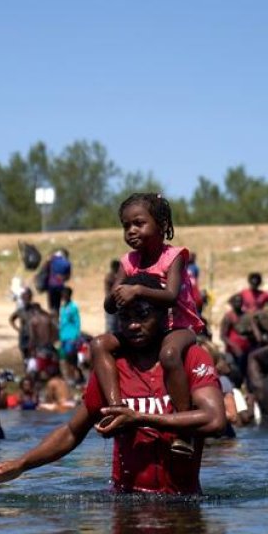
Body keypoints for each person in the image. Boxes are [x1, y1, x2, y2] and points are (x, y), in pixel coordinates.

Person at [0, 276, 224, 495]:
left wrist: (140, 418)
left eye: (142, 315)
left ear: (163, 314)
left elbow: (215, 420)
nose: (133, 325)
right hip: (127, 503)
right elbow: (72, 432)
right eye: (125, 318)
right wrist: (21, 464)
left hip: (182, 504)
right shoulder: (111, 369)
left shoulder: (190, 358)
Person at [96, 194, 204, 457]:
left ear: (161, 224)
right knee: (99, 344)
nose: (131, 231)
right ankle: (116, 410)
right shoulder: (128, 262)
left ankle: (183, 429)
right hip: (145, 329)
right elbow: (109, 306)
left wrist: (137, 290)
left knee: (169, 354)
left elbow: (171, 296)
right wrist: (116, 293)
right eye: (126, 226)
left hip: (178, 326)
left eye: (139, 223)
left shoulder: (173, 256)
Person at [58, 287, 82, 384]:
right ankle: (69, 377)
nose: (63, 296)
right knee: (64, 358)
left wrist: (75, 336)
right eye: (62, 294)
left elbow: (77, 322)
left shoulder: (73, 307)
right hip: (63, 336)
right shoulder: (63, 307)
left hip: (71, 336)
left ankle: (76, 376)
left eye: (65, 294)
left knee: (71, 357)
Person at [103, 260, 121, 334]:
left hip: (118, 302)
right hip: (111, 302)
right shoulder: (110, 277)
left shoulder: (119, 275)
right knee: (111, 325)